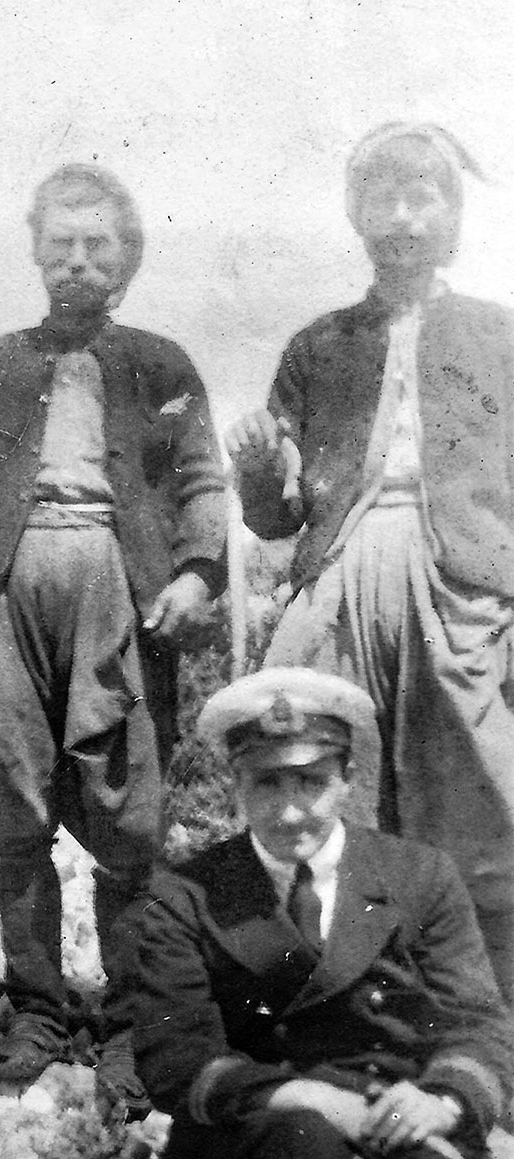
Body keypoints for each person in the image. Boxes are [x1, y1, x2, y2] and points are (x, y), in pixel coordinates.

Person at [0, 162, 226, 1103]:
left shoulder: (161, 365)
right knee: (13, 804)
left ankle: (132, 1026)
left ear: (127, 260)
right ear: (37, 256)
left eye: (97, 247)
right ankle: (40, 1011)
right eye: (60, 247)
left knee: (128, 814)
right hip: (5, 588)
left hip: (117, 589)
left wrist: (199, 572)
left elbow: (204, 481)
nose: (77, 263)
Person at [130, 667, 514, 1159]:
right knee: (304, 1154)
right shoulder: (187, 894)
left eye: (310, 782)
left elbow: (477, 1021)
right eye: (266, 784)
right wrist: (298, 1096)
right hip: (262, 1129)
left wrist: (446, 1100)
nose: (290, 810)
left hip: (399, 1107)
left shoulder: (418, 876)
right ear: (235, 787)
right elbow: (175, 1057)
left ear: (346, 780)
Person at [226, 122, 514, 1006]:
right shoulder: (321, 347)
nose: (402, 217)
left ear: (453, 216)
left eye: (421, 195)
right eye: (382, 199)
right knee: (310, 743)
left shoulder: (498, 336)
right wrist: (254, 468)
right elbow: (277, 516)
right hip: (345, 569)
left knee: (478, 778)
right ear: (357, 217)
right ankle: (347, 994)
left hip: (460, 578)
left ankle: (486, 1006)